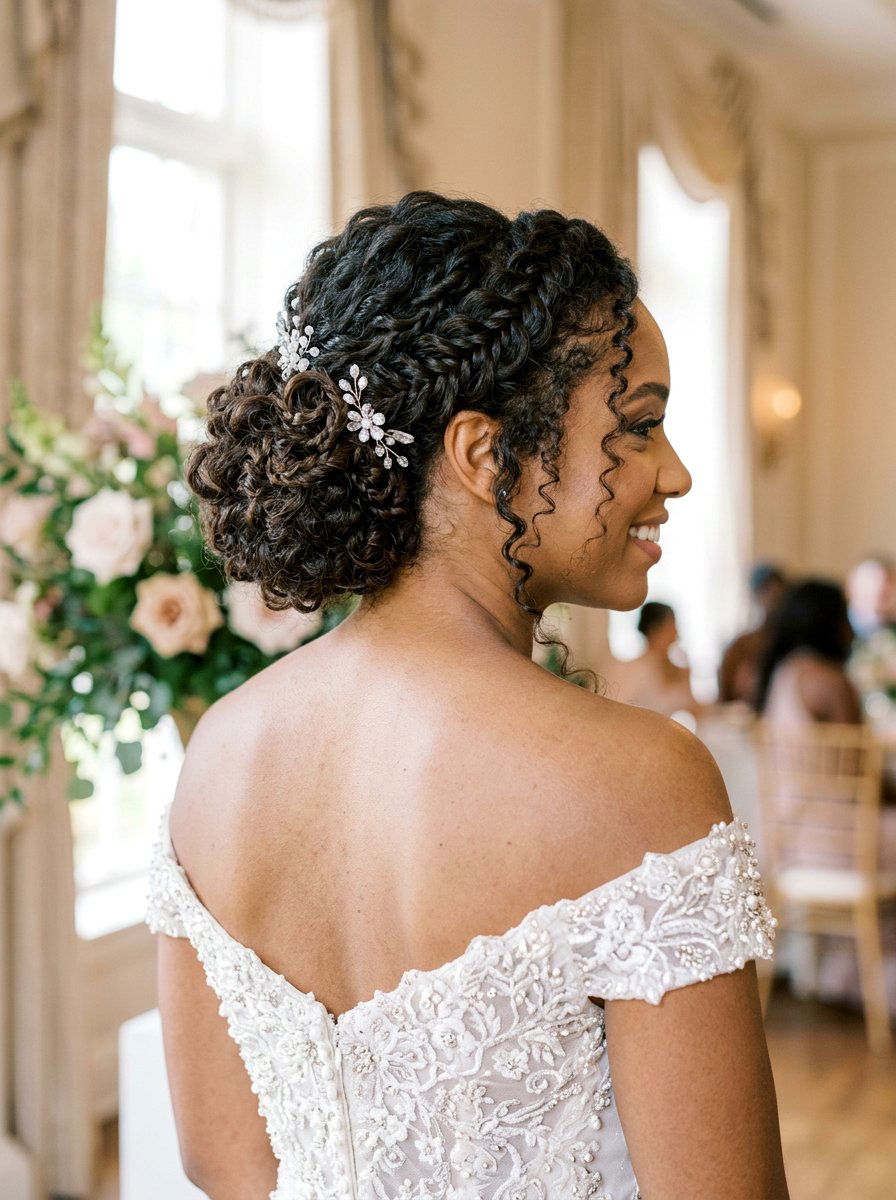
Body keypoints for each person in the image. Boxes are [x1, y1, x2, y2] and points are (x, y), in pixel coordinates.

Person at [146, 192, 788, 1200]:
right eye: (639, 424)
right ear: (485, 454)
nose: (674, 474)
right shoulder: (641, 782)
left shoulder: (220, 751)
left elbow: (221, 1160)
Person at [754, 578, 862, 725]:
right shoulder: (829, 680)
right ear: (831, 623)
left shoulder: (785, 667)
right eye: (845, 618)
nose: (851, 631)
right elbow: (856, 743)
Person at [607, 600, 704, 719]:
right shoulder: (635, 668)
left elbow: (695, 710)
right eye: (671, 625)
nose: (676, 632)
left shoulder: (676, 669)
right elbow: (615, 710)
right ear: (654, 629)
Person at [718, 562, 787, 706]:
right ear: (755, 596)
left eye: (779, 594)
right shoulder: (741, 646)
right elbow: (727, 695)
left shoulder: (790, 645)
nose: (773, 599)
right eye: (766, 592)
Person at [846, 553, 896, 642]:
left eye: (889, 581)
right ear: (852, 586)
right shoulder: (836, 624)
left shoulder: (892, 629)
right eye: (873, 579)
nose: (882, 587)